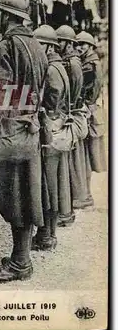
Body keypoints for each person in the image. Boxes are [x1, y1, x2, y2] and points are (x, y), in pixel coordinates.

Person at [0, 0, 48, 283]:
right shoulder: (37, 46)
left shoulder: (6, 47)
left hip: (9, 132)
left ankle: (20, 263)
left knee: (11, 195)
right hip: (29, 130)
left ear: (7, 16)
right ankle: (21, 258)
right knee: (27, 193)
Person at [32, 25, 71, 251]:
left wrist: (45, 111)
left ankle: (47, 234)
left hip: (51, 126)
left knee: (47, 184)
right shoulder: (58, 64)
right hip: (56, 125)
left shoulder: (51, 67)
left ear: (47, 46)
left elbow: (53, 95)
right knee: (51, 182)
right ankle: (48, 233)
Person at [56, 25, 88, 217]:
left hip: (70, 115)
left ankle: (68, 208)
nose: (57, 44)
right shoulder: (71, 61)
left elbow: (74, 93)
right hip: (70, 113)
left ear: (68, 43)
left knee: (68, 165)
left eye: (60, 41)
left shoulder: (73, 63)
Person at [76, 31, 106, 204]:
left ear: (90, 47)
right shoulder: (92, 61)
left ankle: (86, 195)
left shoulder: (89, 64)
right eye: (78, 45)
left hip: (89, 111)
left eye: (83, 45)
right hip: (93, 110)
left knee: (86, 155)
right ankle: (86, 194)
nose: (79, 48)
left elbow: (88, 90)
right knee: (87, 155)